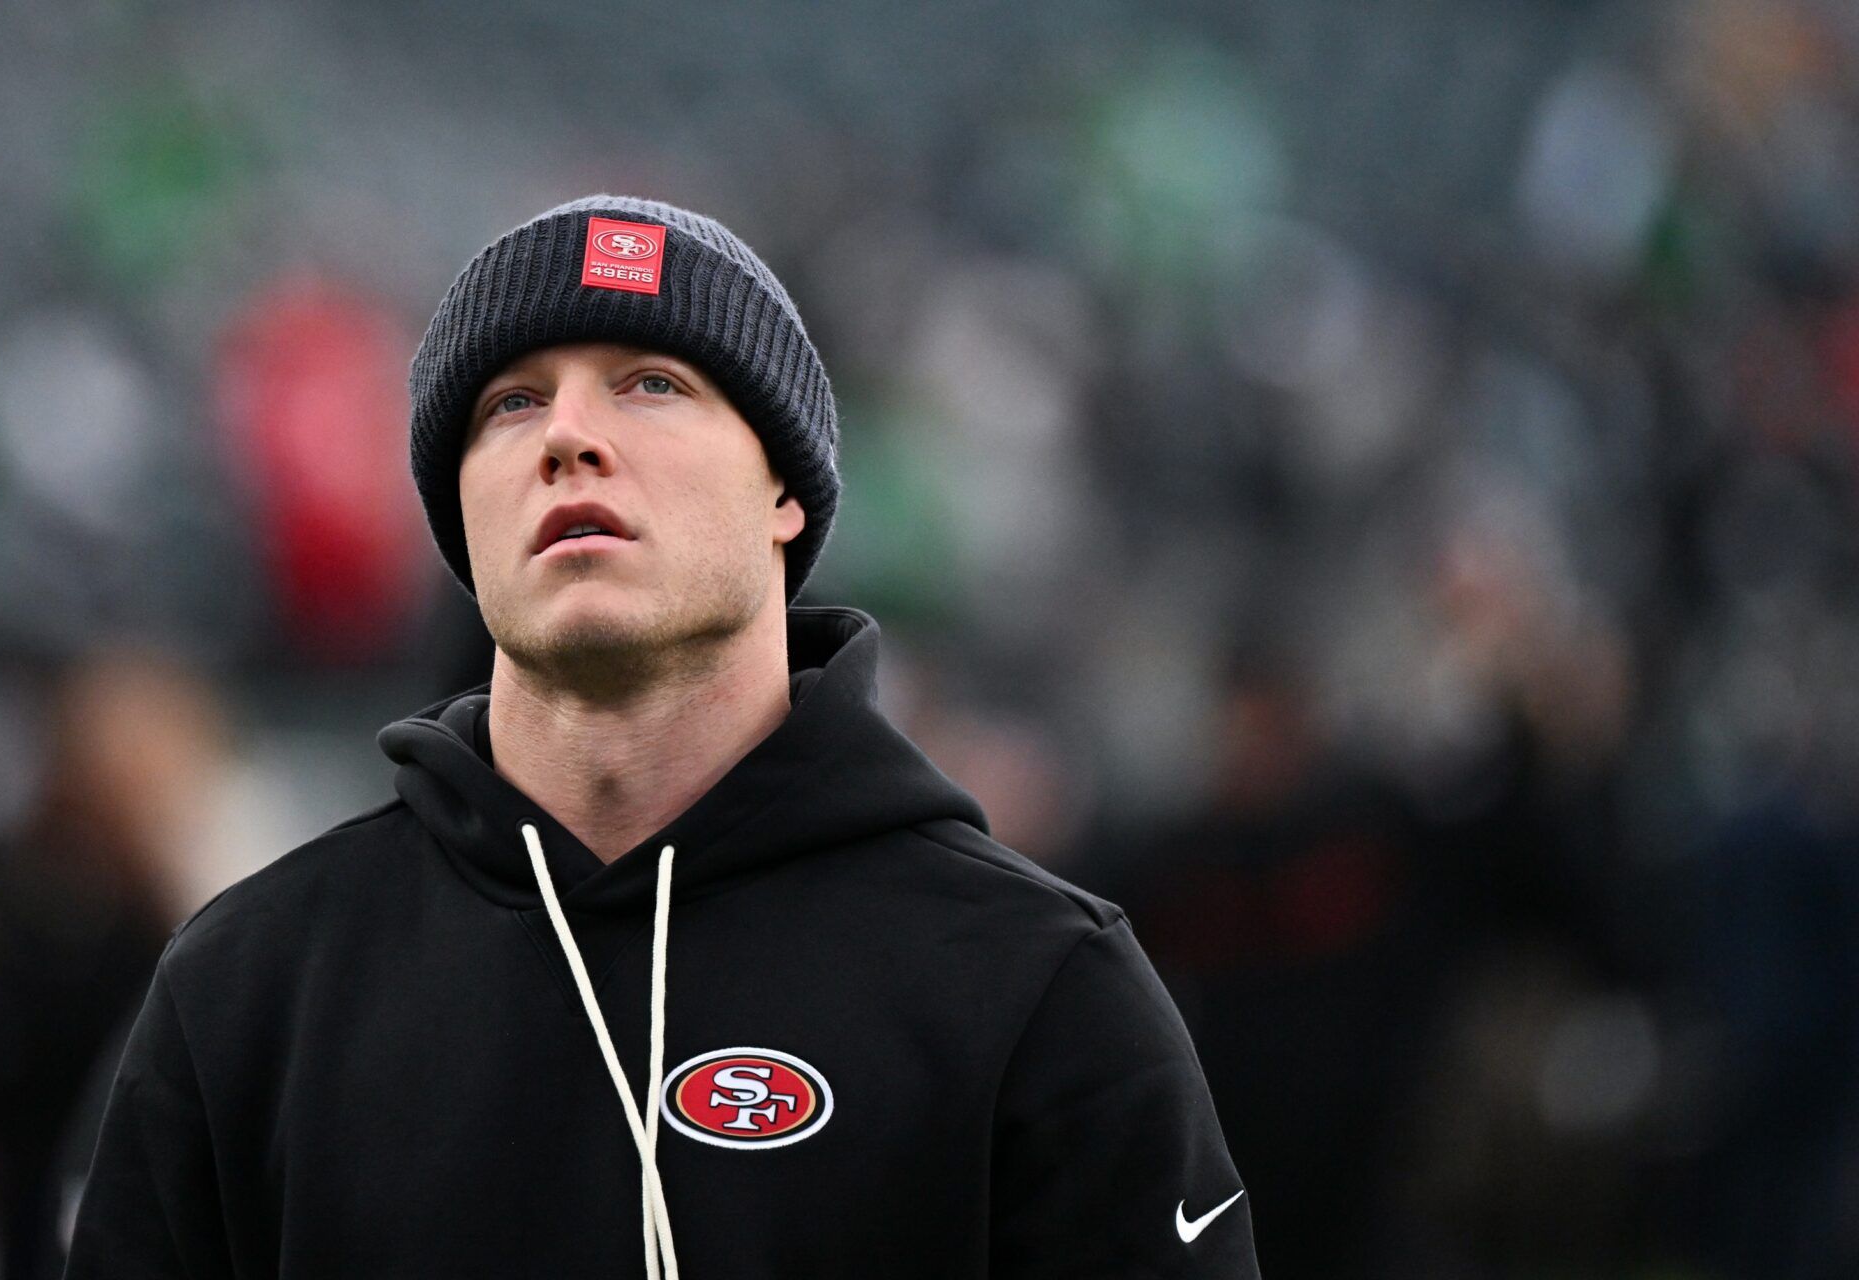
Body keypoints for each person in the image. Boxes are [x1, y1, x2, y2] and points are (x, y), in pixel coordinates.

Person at [61, 194, 1261, 1278]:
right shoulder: (251, 985)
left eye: (653, 382)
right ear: (460, 518)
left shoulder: (1039, 986)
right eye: (511, 401)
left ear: (785, 491)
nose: (567, 435)